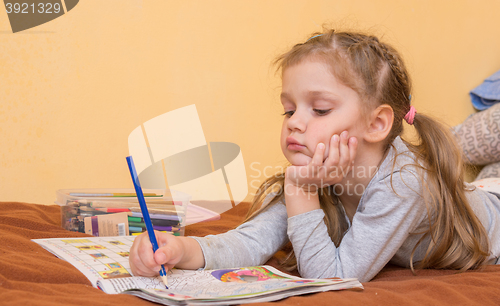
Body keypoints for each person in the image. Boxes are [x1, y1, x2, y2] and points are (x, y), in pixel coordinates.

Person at [129, 29, 500, 282]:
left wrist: (302, 196)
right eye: (288, 110)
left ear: (377, 124)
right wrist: (180, 249)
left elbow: (332, 277)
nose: (295, 124)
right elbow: (252, 241)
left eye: (319, 110)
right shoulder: (315, 177)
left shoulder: (403, 182)